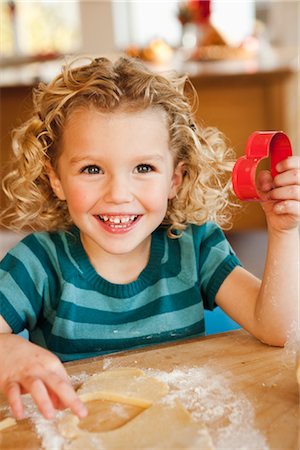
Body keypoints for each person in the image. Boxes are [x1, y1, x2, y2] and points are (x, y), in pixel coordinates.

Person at [0, 56, 299, 422]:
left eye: (144, 168)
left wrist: (284, 232)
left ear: (175, 178)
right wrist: (7, 351)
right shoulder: (38, 264)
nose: (119, 194)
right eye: (92, 169)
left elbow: (278, 329)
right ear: (56, 179)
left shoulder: (194, 246)